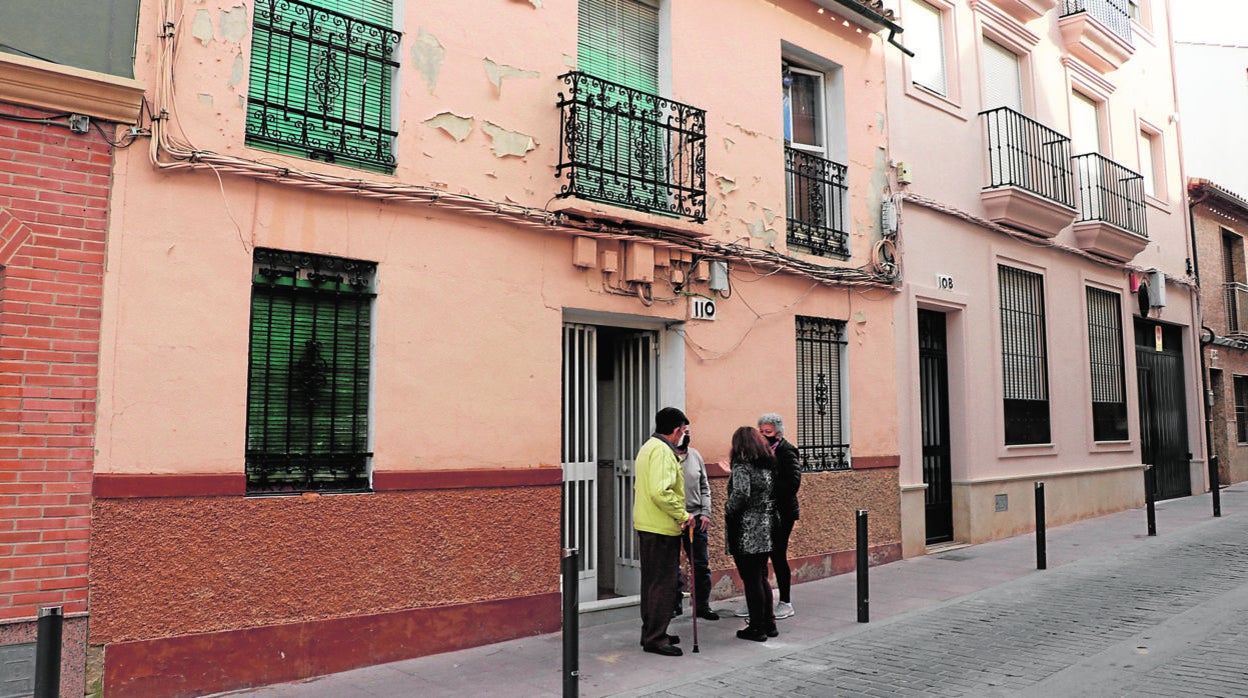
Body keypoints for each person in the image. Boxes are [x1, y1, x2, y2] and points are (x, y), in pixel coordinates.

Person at [633, 407, 694, 657]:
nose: (683, 436)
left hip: (648, 524)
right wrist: (684, 515)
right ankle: (655, 638)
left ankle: (653, 631)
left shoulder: (648, 447)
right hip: (660, 527)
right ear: (677, 429)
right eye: (684, 431)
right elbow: (661, 491)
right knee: (663, 585)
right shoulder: (663, 452)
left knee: (652, 583)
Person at [724, 426, 777, 641]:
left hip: (746, 528)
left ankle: (756, 627)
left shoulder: (741, 465)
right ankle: (769, 622)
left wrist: (728, 508)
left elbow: (741, 493)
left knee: (751, 578)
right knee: (761, 575)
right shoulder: (766, 465)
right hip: (765, 524)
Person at [758, 412, 801, 620]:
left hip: (783, 513)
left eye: (768, 432)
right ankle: (758, 599)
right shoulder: (761, 452)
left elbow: (793, 484)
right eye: (761, 432)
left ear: (778, 432)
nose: (764, 435)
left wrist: (769, 489)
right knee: (759, 554)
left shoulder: (787, 451)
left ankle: (785, 601)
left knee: (777, 554)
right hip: (765, 511)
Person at [676, 428, 718, 621]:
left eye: (688, 430)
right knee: (672, 565)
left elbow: (704, 486)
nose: (686, 434)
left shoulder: (695, 456)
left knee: (700, 564)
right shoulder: (665, 456)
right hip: (674, 518)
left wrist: (706, 512)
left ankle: (702, 605)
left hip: (697, 517)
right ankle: (673, 605)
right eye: (682, 430)